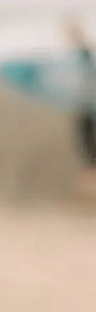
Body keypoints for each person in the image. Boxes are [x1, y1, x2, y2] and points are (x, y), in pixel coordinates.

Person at [64, 16, 96, 197]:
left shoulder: (85, 54)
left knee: (88, 146)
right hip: (85, 105)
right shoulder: (82, 54)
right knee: (86, 146)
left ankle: (90, 186)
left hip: (89, 106)